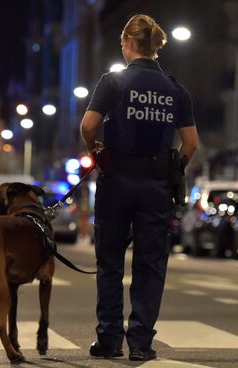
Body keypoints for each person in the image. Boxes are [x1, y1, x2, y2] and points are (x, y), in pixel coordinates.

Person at [80, 14, 198, 362]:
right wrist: (174, 168)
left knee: (111, 261)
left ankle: (109, 339)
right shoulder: (176, 89)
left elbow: (88, 126)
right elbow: (190, 143)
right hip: (157, 184)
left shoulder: (113, 82)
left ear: (128, 43)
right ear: (155, 47)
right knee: (150, 264)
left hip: (117, 179)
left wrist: (96, 152)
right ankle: (141, 343)